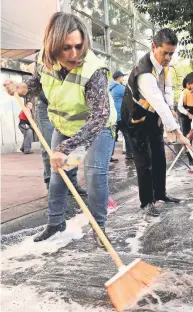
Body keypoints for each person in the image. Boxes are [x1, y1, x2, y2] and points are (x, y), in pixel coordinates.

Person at [4, 12, 117, 247]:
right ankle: (56, 222)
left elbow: (99, 116)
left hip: (96, 131)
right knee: (59, 176)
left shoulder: (93, 70)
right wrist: (21, 87)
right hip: (65, 127)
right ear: (53, 45)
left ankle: (99, 228)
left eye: (78, 46)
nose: (74, 54)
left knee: (95, 175)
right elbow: (36, 83)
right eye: (66, 48)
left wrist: (66, 148)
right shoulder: (45, 62)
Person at [121, 28, 191, 218]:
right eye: (164, 53)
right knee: (145, 161)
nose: (168, 57)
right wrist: (178, 133)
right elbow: (157, 101)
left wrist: (172, 110)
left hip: (153, 115)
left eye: (171, 53)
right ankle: (147, 202)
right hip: (135, 117)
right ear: (154, 47)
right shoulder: (144, 72)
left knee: (159, 154)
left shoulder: (165, 67)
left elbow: (167, 90)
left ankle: (160, 193)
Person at [36, 90, 87, 196]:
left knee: (73, 144)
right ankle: (51, 183)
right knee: (50, 148)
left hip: (69, 105)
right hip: (47, 104)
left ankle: (72, 183)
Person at [109, 70, 133, 160]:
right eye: (122, 77)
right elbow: (131, 96)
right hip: (120, 115)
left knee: (113, 136)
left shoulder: (110, 87)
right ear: (119, 78)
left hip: (113, 116)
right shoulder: (120, 88)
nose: (123, 78)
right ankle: (129, 154)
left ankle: (109, 156)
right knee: (127, 134)